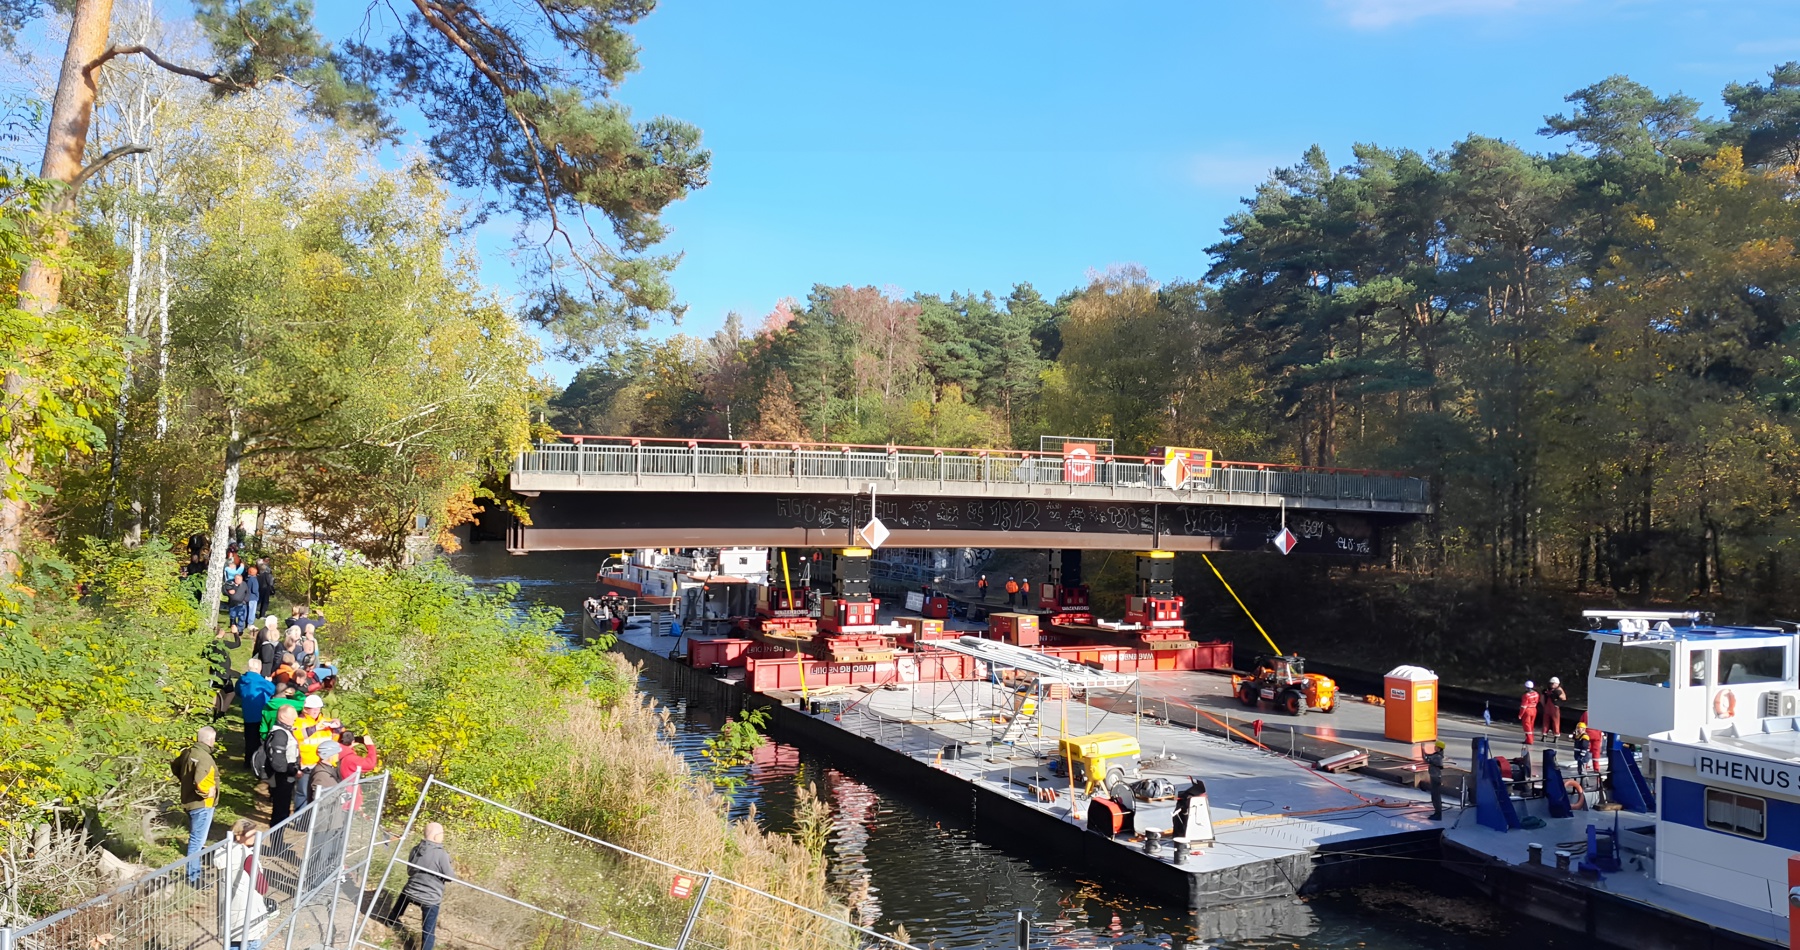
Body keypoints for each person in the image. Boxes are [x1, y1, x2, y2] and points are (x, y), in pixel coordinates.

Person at [391, 823, 454, 950]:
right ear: (437, 837)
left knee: (406, 891)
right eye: (442, 834)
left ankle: (391, 919)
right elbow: (450, 877)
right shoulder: (442, 855)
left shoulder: (415, 849)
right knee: (429, 930)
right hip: (430, 899)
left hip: (411, 891)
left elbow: (410, 871)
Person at [216, 819, 275, 950]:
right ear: (238, 835)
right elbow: (262, 887)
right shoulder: (248, 858)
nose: (255, 837)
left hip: (229, 914)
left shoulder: (223, 852)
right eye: (252, 835)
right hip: (248, 919)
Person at [172, 726, 219, 884]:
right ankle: (193, 877)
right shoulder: (205, 758)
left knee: (195, 838)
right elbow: (200, 781)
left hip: (189, 800)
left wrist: (184, 781)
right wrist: (207, 793)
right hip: (202, 805)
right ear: (210, 740)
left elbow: (175, 765)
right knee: (197, 841)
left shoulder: (188, 752)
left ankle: (194, 872)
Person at [265, 707, 301, 845]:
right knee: (280, 812)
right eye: (293, 717)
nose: (295, 720)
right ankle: (276, 843)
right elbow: (279, 764)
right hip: (282, 780)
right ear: (284, 717)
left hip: (284, 778)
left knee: (282, 811)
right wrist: (293, 771)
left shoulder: (283, 731)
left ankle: (278, 841)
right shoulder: (280, 734)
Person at [237, 658, 276, 769]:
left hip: (248, 713)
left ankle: (247, 761)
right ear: (259, 668)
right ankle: (258, 761)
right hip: (261, 714)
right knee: (260, 739)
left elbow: (237, 692)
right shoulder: (262, 681)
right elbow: (273, 690)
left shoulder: (242, 679)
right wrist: (269, 682)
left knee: (249, 738)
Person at [208, 626, 237, 719]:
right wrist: (235, 633)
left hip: (220, 672)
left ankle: (218, 711)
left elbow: (237, 644)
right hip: (220, 672)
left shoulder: (218, 643)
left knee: (221, 692)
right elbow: (237, 643)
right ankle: (220, 712)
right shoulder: (215, 644)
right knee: (223, 692)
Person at [1424, 740, 1446, 820]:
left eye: (1436, 746)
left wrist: (1424, 754)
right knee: (1434, 796)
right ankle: (1437, 813)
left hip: (1436, 778)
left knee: (1436, 797)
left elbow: (1428, 759)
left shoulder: (1438, 757)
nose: (1434, 747)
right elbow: (1428, 757)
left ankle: (1438, 814)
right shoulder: (1436, 755)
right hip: (1434, 777)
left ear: (1439, 748)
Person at [1540, 676, 1566, 741]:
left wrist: (1558, 695)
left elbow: (1564, 698)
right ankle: (1544, 735)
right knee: (1546, 722)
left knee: (1555, 722)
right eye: (1551, 683)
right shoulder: (1546, 690)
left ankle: (1556, 736)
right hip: (1548, 708)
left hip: (1554, 708)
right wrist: (1544, 706)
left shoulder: (1558, 690)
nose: (1552, 685)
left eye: (1553, 683)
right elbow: (1542, 699)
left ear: (1557, 684)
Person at [1519, 680, 1540, 745]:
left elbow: (1523, 706)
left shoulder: (1526, 695)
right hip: (1534, 710)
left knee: (1527, 725)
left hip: (1527, 711)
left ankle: (1529, 740)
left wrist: (1520, 714)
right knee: (1531, 725)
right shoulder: (1536, 694)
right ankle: (1530, 738)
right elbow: (1537, 702)